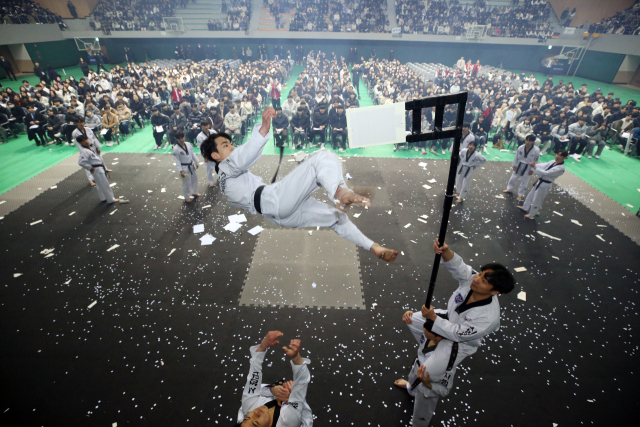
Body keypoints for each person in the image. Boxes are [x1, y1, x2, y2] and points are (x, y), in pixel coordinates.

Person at [199, 107, 398, 262]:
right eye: (226, 145)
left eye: (231, 143)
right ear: (215, 156)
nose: (232, 147)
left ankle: (374, 247)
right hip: (274, 199)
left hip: (281, 215)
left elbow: (243, 156)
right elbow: (242, 158)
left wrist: (259, 134)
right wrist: (262, 130)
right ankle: (341, 191)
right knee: (322, 157)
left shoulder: (227, 176)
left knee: (337, 218)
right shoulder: (227, 169)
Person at [420, 238, 515, 373]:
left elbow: (457, 333)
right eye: (480, 274)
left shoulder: (488, 318)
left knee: (426, 373)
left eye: (483, 281)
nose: (476, 279)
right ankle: (432, 345)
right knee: (412, 320)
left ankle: (434, 373)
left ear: (495, 292)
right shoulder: (473, 280)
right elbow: (458, 267)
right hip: (449, 318)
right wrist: (445, 251)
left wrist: (434, 318)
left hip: (460, 342)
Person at [394, 309, 460, 427]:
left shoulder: (446, 361)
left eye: (427, 329)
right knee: (413, 380)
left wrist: (428, 384)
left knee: (422, 409)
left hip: (429, 387)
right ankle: (410, 388)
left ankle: (419, 425)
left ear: (439, 337)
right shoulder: (428, 335)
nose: (423, 330)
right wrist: (411, 317)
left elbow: (445, 390)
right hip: (417, 367)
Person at [237, 331, 312, 427]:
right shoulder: (288, 421)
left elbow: (254, 373)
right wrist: (296, 358)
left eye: (247, 418)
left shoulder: (248, 407)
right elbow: (302, 383)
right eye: (256, 423)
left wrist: (263, 345)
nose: (255, 414)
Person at [77, 135, 129, 204]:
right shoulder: (84, 151)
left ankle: (103, 197)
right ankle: (111, 199)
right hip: (96, 169)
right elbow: (81, 162)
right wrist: (90, 167)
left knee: (99, 184)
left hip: (98, 168)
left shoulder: (89, 148)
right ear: (80, 143)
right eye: (83, 141)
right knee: (105, 184)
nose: (86, 141)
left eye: (86, 139)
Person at [519, 150, 569, 219]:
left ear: (564, 157)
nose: (557, 156)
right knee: (531, 195)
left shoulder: (560, 168)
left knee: (537, 199)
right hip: (540, 181)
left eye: (560, 155)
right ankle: (525, 207)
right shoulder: (553, 161)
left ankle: (532, 214)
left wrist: (534, 167)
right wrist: (534, 165)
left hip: (545, 184)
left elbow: (546, 173)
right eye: (557, 154)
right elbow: (543, 165)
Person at [503, 135, 540, 201]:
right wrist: (514, 165)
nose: (527, 142)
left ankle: (520, 194)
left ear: (533, 142)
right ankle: (509, 189)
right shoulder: (521, 147)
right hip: (519, 165)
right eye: (526, 140)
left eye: (529, 141)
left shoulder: (536, 150)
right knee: (513, 178)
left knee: (525, 181)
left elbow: (536, 161)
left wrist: (532, 169)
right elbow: (516, 157)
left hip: (528, 166)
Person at [72, 118, 101, 186]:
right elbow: (78, 144)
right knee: (88, 164)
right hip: (84, 149)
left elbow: (94, 138)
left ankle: (102, 172)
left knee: (98, 160)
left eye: (82, 122)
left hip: (92, 146)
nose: (82, 124)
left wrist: (97, 147)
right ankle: (91, 179)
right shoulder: (75, 133)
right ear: (76, 123)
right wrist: (83, 152)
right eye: (80, 122)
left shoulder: (88, 129)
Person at [173, 131, 200, 202]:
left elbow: (192, 153)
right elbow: (177, 160)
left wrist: (196, 162)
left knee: (194, 180)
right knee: (186, 183)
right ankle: (187, 197)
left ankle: (195, 192)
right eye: (179, 138)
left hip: (191, 165)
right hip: (184, 167)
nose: (181, 139)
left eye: (182, 137)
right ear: (176, 139)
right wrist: (180, 170)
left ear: (184, 137)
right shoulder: (175, 149)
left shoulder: (188, 144)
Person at [196, 121, 217, 187]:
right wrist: (204, 156)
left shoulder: (213, 132)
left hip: (215, 152)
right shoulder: (199, 136)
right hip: (207, 153)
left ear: (209, 125)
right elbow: (200, 147)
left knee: (218, 167)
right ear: (201, 126)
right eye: (204, 126)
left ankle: (220, 178)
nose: (205, 127)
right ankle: (211, 182)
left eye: (206, 125)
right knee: (209, 169)